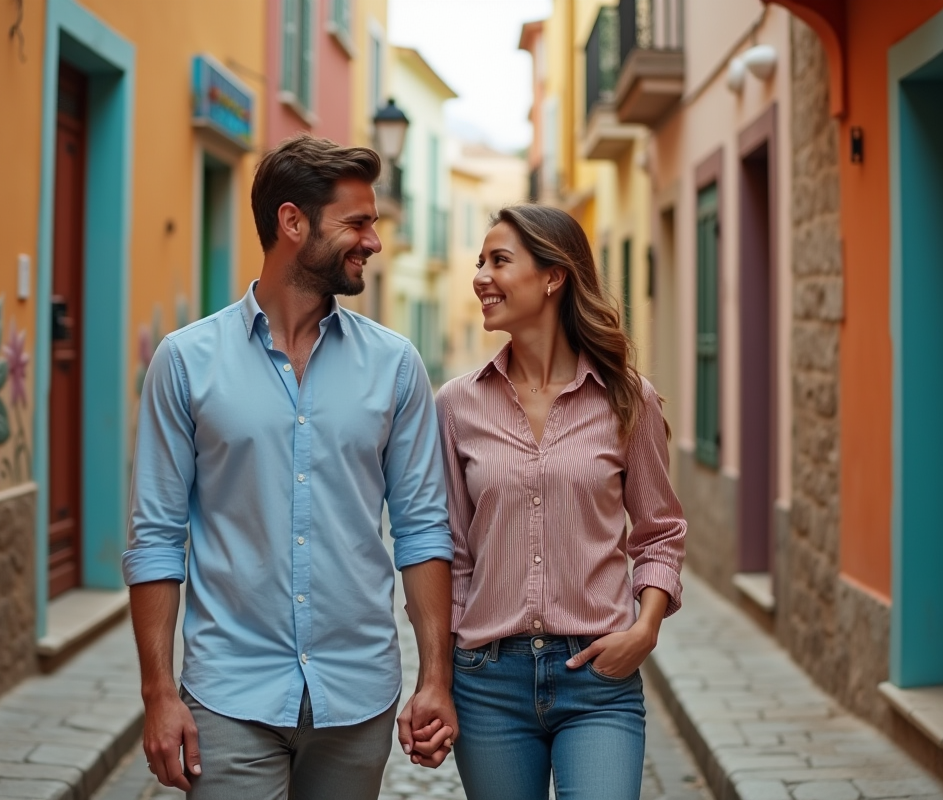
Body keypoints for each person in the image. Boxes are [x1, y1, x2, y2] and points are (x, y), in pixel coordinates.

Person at [124, 134, 457, 799]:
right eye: (357, 222)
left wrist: (435, 679)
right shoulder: (186, 362)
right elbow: (157, 537)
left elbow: (422, 530)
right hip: (229, 693)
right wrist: (159, 694)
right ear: (292, 222)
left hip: (357, 696)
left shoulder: (395, 367)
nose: (373, 241)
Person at [403, 204, 687, 799]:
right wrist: (440, 676)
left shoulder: (627, 400)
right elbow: (452, 553)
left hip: (598, 680)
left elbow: (660, 530)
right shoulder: (457, 407)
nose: (480, 275)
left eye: (499, 261)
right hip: (490, 685)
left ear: (554, 276)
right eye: (479, 261)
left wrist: (647, 629)